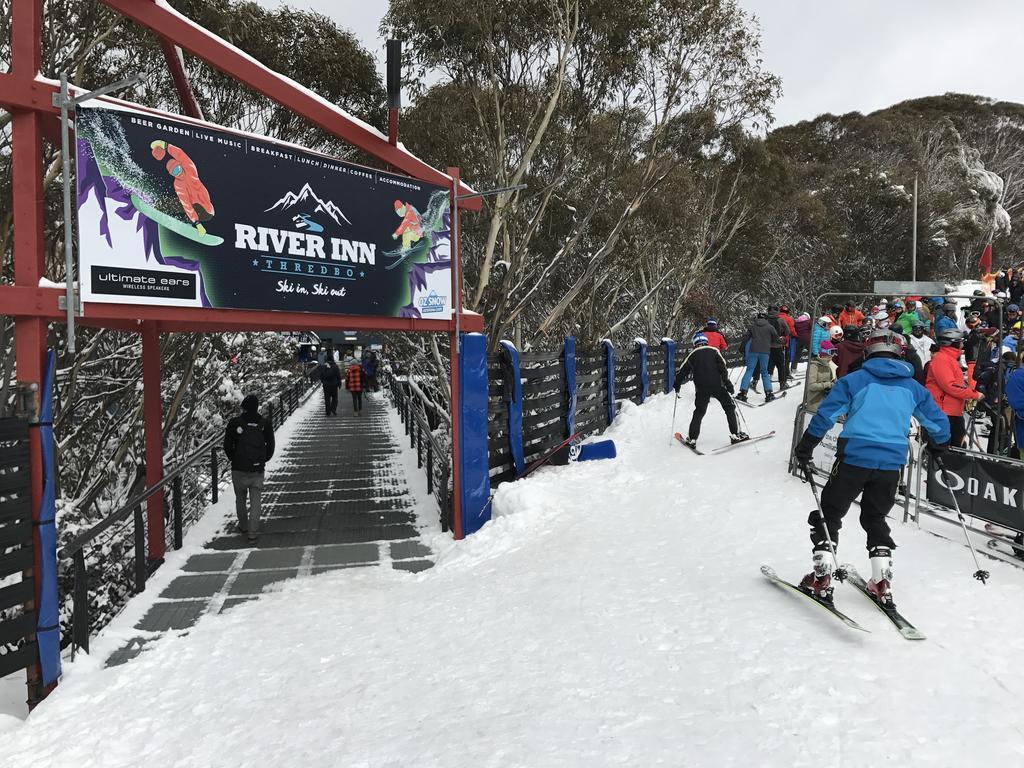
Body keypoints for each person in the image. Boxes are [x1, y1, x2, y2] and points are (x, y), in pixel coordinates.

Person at [794, 329, 951, 607]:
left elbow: (825, 415)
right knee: (875, 518)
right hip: (891, 462)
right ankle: (881, 579)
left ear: (868, 351)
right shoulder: (913, 387)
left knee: (830, 512)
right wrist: (940, 444)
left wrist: (806, 446)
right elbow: (938, 423)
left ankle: (821, 577)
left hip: (854, 457)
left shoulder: (854, 381)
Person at [675, 332, 747, 448]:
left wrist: (677, 385)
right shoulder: (714, 351)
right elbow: (723, 367)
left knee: (699, 411)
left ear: (695, 344)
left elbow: (681, 372)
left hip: (701, 388)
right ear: (706, 342)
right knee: (729, 407)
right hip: (717, 385)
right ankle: (735, 434)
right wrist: (727, 383)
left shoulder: (692, 355)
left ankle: (692, 439)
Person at [223, 394, 275, 543]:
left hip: (238, 469)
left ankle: (243, 526)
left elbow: (227, 445)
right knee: (256, 501)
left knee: (240, 498)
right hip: (257, 470)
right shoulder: (264, 423)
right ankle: (253, 532)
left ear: (244, 407)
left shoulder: (234, 423)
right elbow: (270, 446)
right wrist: (263, 460)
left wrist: (234, 459)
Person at [925, 328, 982, 448]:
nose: (962, 345)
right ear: (953, 343)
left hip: (953, 410)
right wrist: (974, 394)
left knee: (956, 446)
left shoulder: (950, 359)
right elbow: (949, 386)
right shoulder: (942, 359)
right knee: (945, 449)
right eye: (960, 342)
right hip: (944, 411)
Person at [736, 312, 779, 402]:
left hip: (753, 350)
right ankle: (768, 393)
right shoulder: (770, 327)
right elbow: (776, 338)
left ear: (757, 318)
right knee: (764, 372)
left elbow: (746, 338)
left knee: (749, 370)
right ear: (766, 319)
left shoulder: (752, 326)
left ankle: (743, 392)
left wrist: (741, 348)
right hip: (765, 352)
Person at [805, 340, 837, 411]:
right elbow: (811, 386)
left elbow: (832, 380)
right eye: (831, 352)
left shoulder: (829, 364)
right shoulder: (814, 366)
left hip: (826, 398)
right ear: (824, 353)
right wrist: (828, 385)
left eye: (834, 352)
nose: (833, 355)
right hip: (816, 401)